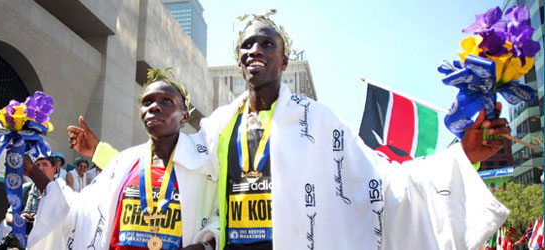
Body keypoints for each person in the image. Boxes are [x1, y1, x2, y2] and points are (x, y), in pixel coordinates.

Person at [194, 12, 511, 250]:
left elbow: (380, 181)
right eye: (247, 45)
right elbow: (196, 193)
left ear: (285, 60)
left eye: (267, 44)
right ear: (239, 60)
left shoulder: (316, 121)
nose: (256, 50)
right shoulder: (217, 126)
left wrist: (464, 154)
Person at [26, 68, 219, 250]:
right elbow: (75, 212)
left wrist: (205, 245)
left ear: (184, 116)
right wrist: (32, 171)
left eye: (166, 101)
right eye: (147, 102)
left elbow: (221, 216)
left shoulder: (203, 167)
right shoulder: (125, 164)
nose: (154, 107)